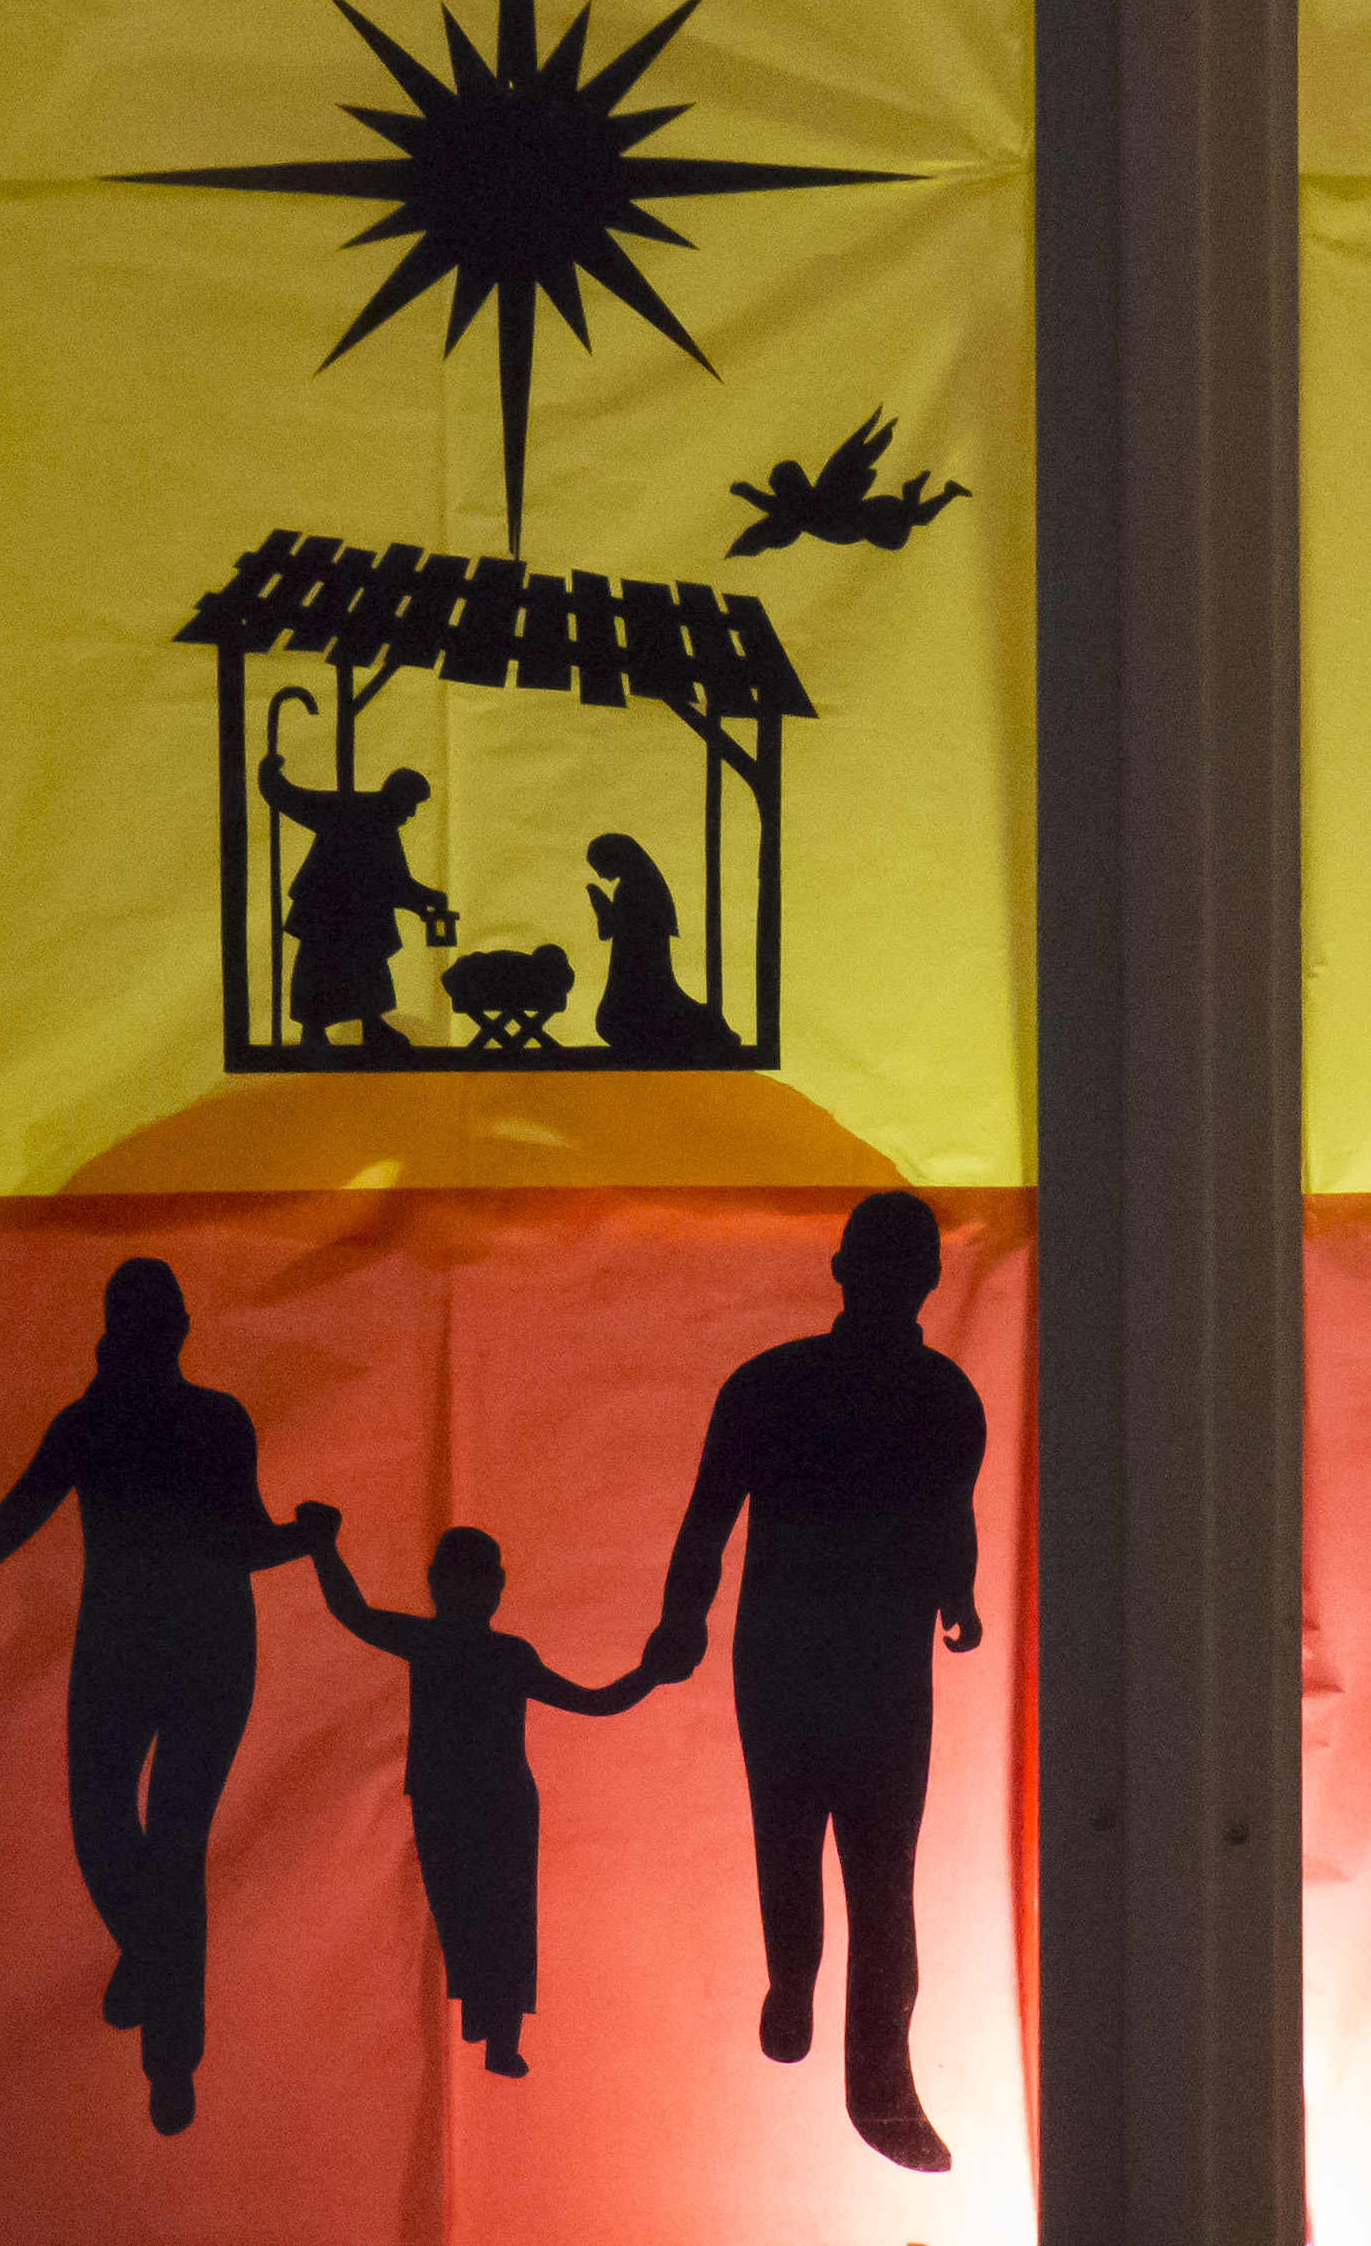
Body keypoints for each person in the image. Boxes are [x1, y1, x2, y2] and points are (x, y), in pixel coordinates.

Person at [0, 1257, 330, 2134]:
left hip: (191, 1652)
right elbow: (7, 1529)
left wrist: (302, 1539)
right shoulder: (92, 1425)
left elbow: (240, 1540)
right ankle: (156, 1969)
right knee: (110, 1829)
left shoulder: (201, 1421)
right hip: (138, 1654)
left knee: (169, 1841)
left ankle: (171, 2054)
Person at [641, 1192, 987, 2171]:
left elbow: (711, 1520)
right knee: (866, 1867)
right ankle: (841, 2035)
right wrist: (955, 1592)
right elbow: (945, 1521)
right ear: (925, 1279)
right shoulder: (935, 1395)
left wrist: (684, 1615)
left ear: (845, 1269)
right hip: (862, 1663)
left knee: (816, 1845)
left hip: (809, 1656)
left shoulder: (778, 1384)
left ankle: (833, 2024)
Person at [302, 1520, 665, 2078]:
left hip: (482, 1800)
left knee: (499, 1915)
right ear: (440, 1582)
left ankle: (499, 2033)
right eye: (471, 1579)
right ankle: (492, 2027)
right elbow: (595, 1702)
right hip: (465, 1797)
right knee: (474, 1914)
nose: (479, 1591)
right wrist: (650, 1674)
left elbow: (593, 1702)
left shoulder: (483, 1650)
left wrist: (322, 1545)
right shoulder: (461, 1647)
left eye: (484, 1580)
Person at [259, 756, 450, 1051]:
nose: (411, 813)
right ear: (397, 797)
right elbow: (292, 799)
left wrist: (424, 899)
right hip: (328, 909)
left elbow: (392, 881)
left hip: (356, 914)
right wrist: (270, 773)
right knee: (321, 967)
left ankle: (370, 1026)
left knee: (367, 968)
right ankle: (318, 1030)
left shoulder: (382, 825)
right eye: (411, 804)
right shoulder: (353, 811)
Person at [583, 831, 737, 1062]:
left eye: (600, 866)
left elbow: (615, 929)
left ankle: (706, 1027)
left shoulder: (633, 888)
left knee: (617, 1020)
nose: (600, 874)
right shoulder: (640, 884)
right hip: (635, 964)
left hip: (638, 965)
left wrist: (602, 906)